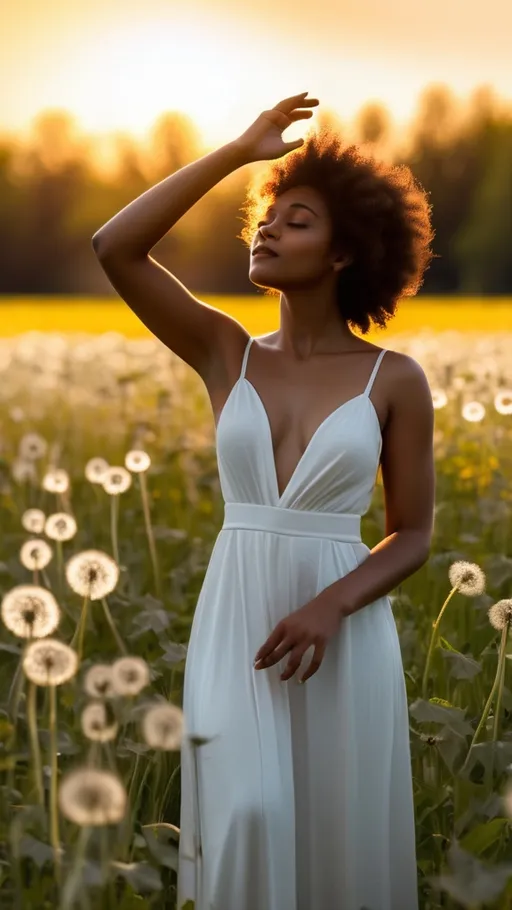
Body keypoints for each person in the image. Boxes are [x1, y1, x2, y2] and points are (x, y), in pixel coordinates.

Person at [92, 91, 436, 910]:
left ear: (347, 252)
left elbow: (413, 534)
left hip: (340, 634)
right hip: (238, 623)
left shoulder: (395, 380)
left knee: (334, 837)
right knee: (247, 814)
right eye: (267, 215)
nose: (268, 228)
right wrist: (239, 153)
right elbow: (115, 246)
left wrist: (331, 606)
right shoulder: (225, 353)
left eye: (298, 220)